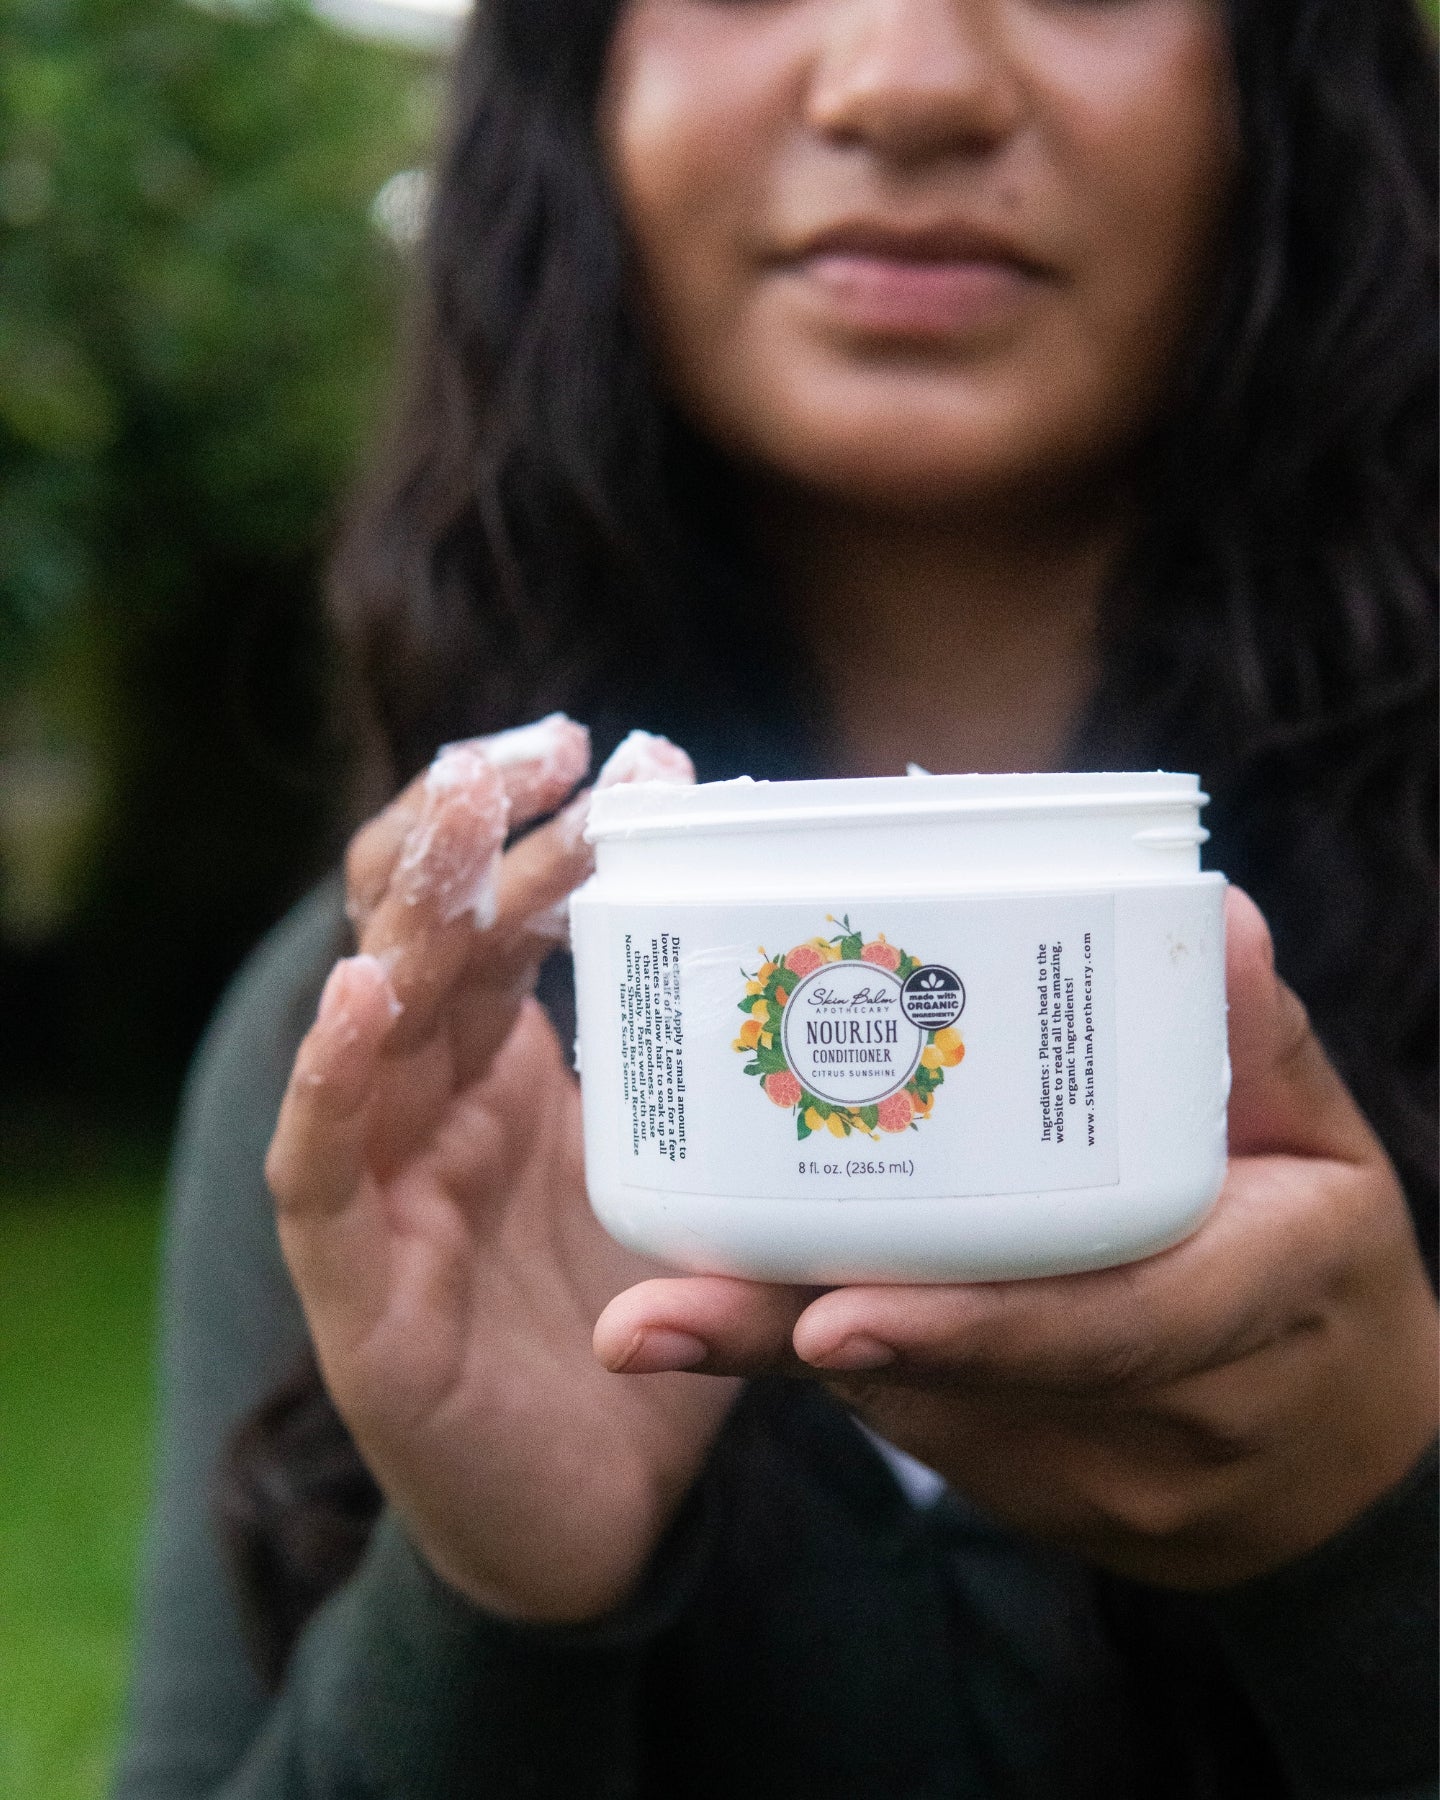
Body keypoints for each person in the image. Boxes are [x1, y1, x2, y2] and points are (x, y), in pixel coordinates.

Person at [111, 1, 1438, 1795]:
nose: (905, 83)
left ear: (1290, 90)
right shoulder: (393, 1067)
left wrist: (1378, 1538)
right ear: (580, 88)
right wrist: (495, 1600)